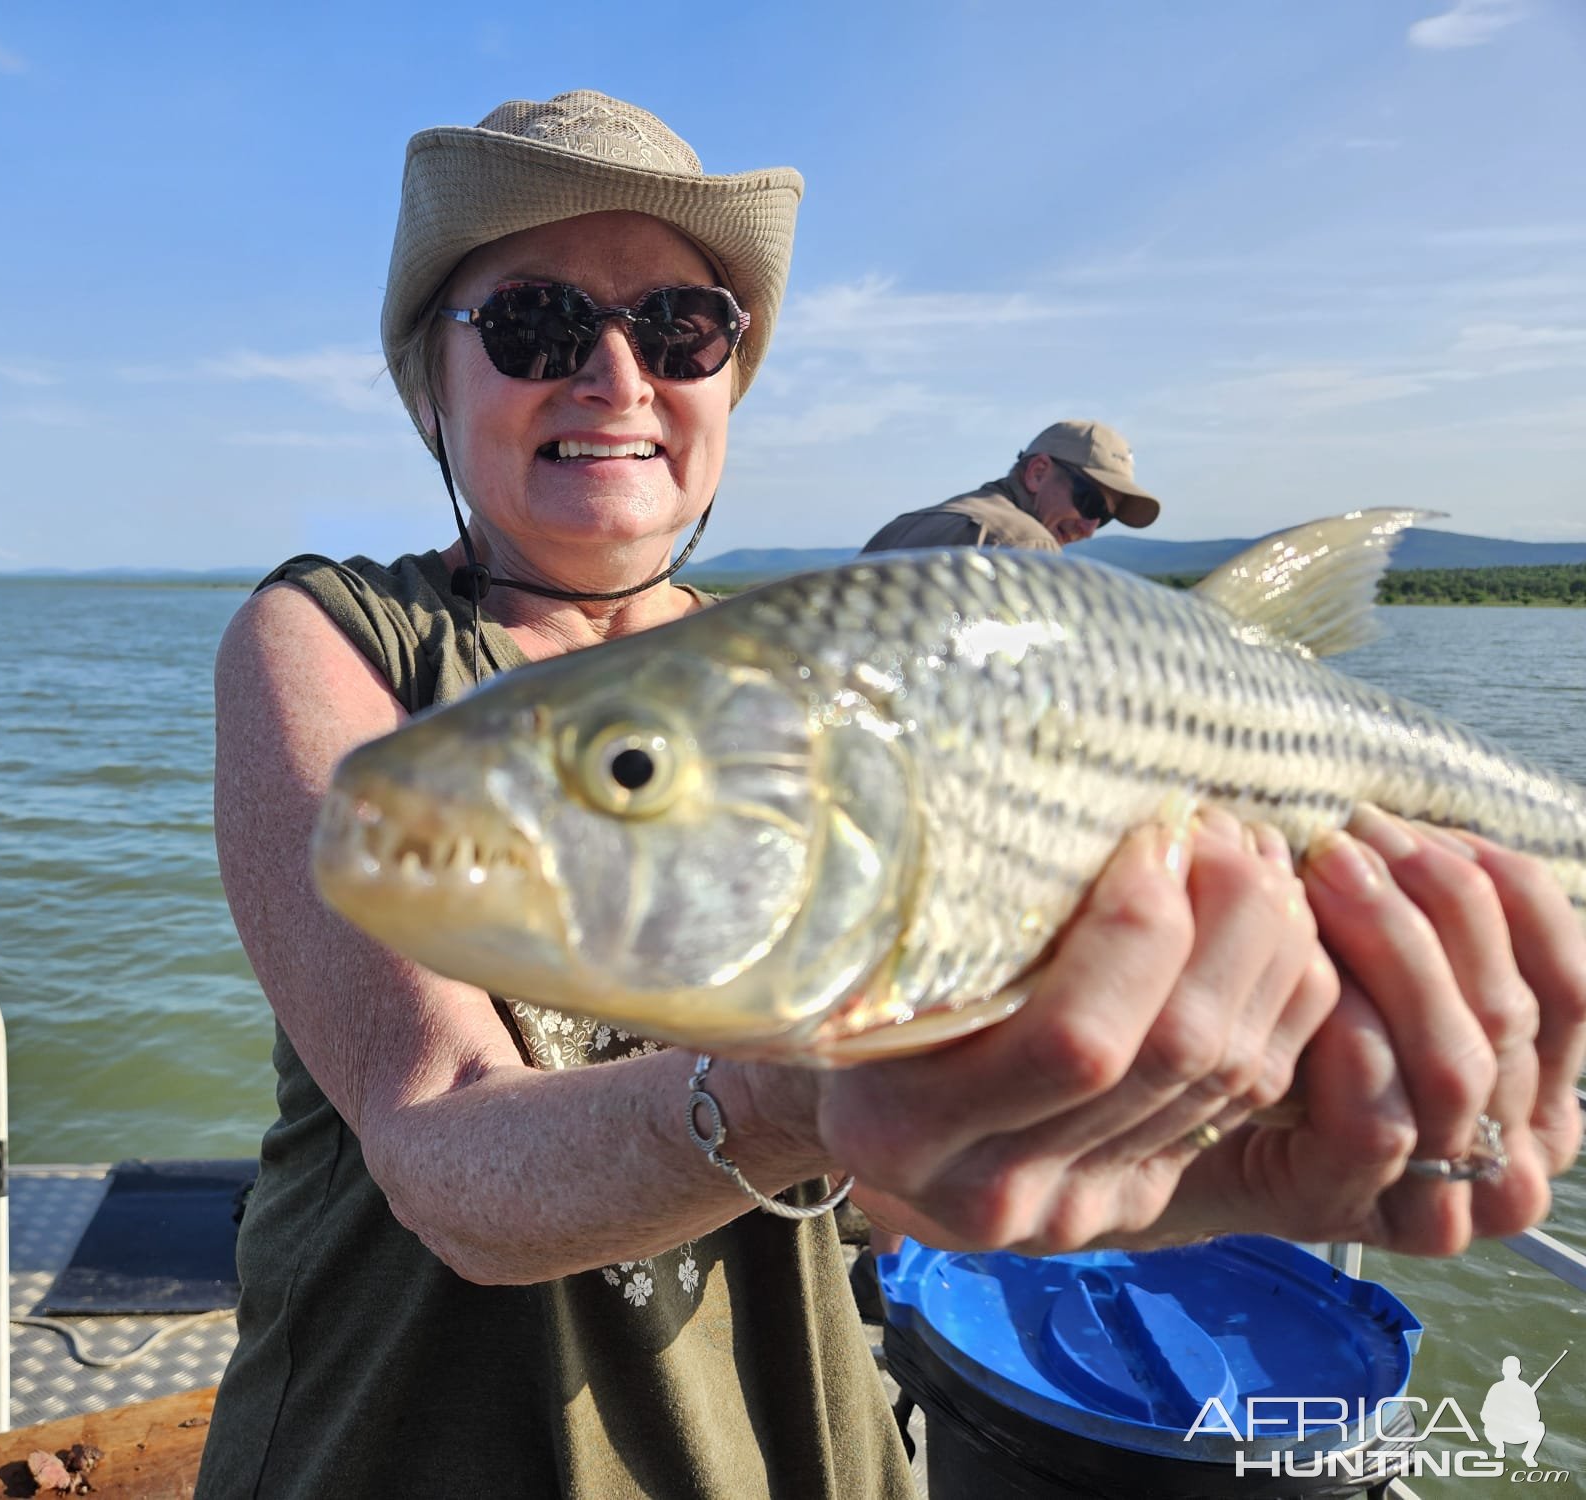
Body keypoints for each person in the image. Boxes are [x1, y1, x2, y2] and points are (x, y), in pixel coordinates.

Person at [196, 90, 1586, 1500]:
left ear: (727, 379)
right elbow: (443, 1152)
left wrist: (1204, 1143)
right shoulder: (337, 635)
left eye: (681, 328)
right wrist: (820, 1088)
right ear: (431, 380)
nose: (616, 378)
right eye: (536, 326)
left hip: (800, 1452)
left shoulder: (850, 675)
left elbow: (912, 1199)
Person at [862, 419, 1158, 552]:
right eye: (1090, 503)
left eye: (1104, 518)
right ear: (1038, 472)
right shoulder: (1027, 543)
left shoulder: (901, 527)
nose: (1089, 528)